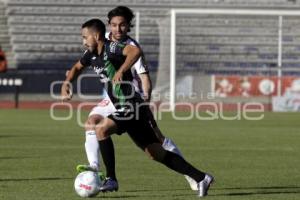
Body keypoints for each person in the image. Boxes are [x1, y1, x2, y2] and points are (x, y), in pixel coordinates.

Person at [61, 18, 213, 197]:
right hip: (127, 108)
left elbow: (135, 51)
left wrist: (120, 70)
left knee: (101, 129)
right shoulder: (90, 54)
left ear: (96, 36)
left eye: (85, 37)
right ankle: (201, 177)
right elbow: (77, 67)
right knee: (155, 153)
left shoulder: (111, 48)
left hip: (131, 104)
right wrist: (67, 83)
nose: (83, 41)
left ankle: (111, 178)